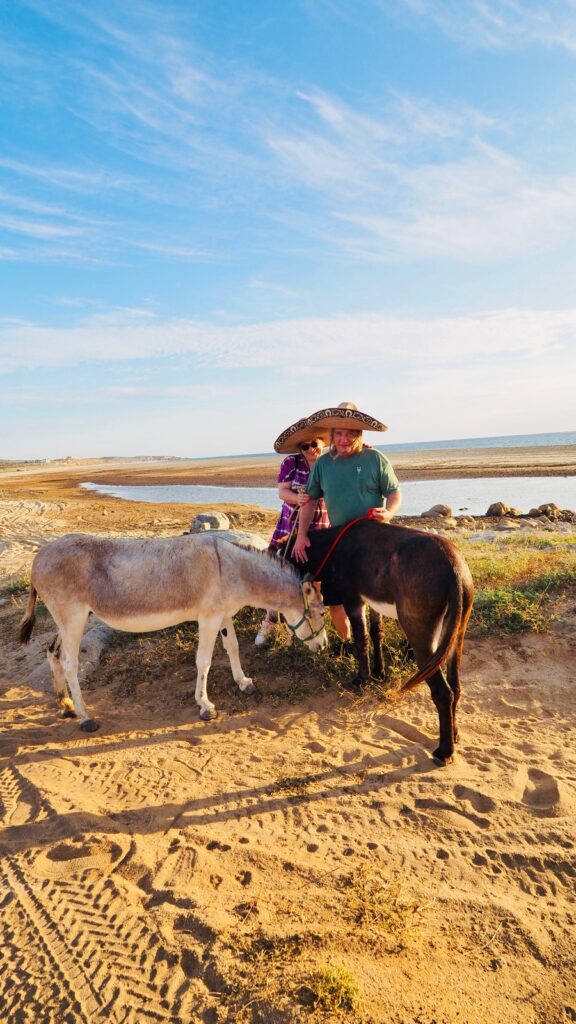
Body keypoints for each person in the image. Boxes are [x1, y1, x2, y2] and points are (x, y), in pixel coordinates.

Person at [289, 403, 402, 637]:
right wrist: (301, 536)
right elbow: (309, 500)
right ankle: (347, 642)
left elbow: (394, 492)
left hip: (375, 537)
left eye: (350, 433)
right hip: (339, 540)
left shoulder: (375, 458)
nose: (343, 439)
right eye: (338, 433)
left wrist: (388, 512)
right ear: (331, 435)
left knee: (388, 596)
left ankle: (399, 639)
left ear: (359, 435)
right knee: (337, 599)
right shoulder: (323, 464)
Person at [254, 431, 329, 646]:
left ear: (323, 443)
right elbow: (282, 492)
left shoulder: (331, 462)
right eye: (304, 446)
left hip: (321, 525)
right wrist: (298, 498)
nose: (311, 449)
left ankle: (312, 627)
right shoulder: (291, 463)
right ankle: (270, 621)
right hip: (290, 525)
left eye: (315, 443)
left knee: (315, 579)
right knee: (280, 575)